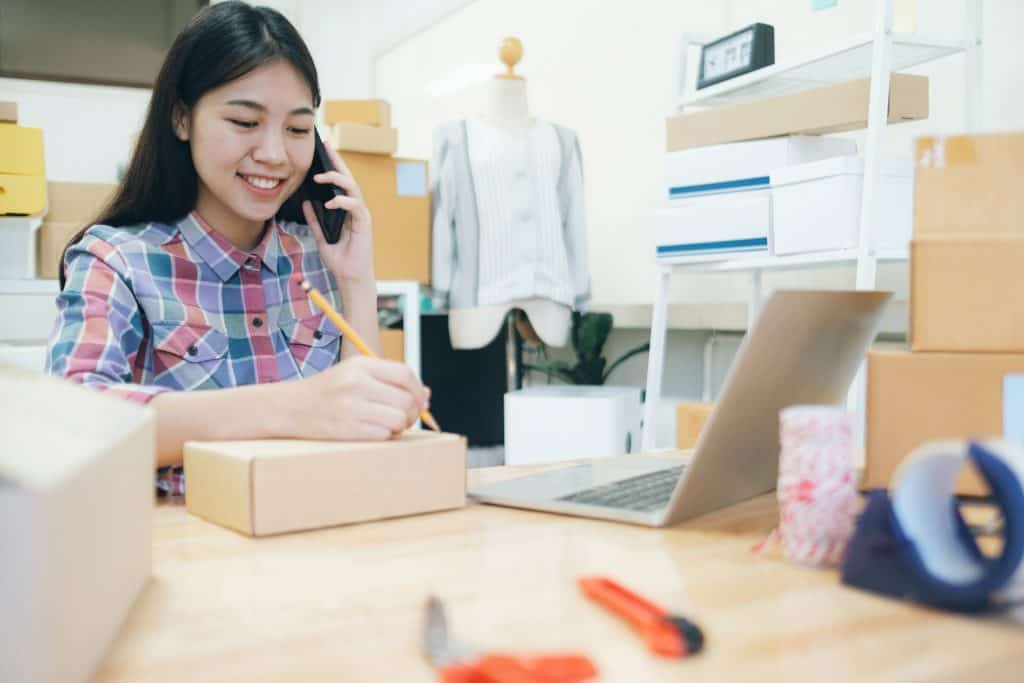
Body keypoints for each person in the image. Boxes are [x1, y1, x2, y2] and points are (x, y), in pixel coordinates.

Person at [46, 2, 430, 495]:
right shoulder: (114, 260)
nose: (274, 153)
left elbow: (363, 435)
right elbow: (71, 423)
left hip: (318, 536)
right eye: (246, 122)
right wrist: (296, 406)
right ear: (182, 118)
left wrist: (357, 278)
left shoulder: (316, 257)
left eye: (297, 129)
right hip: (188, 552)